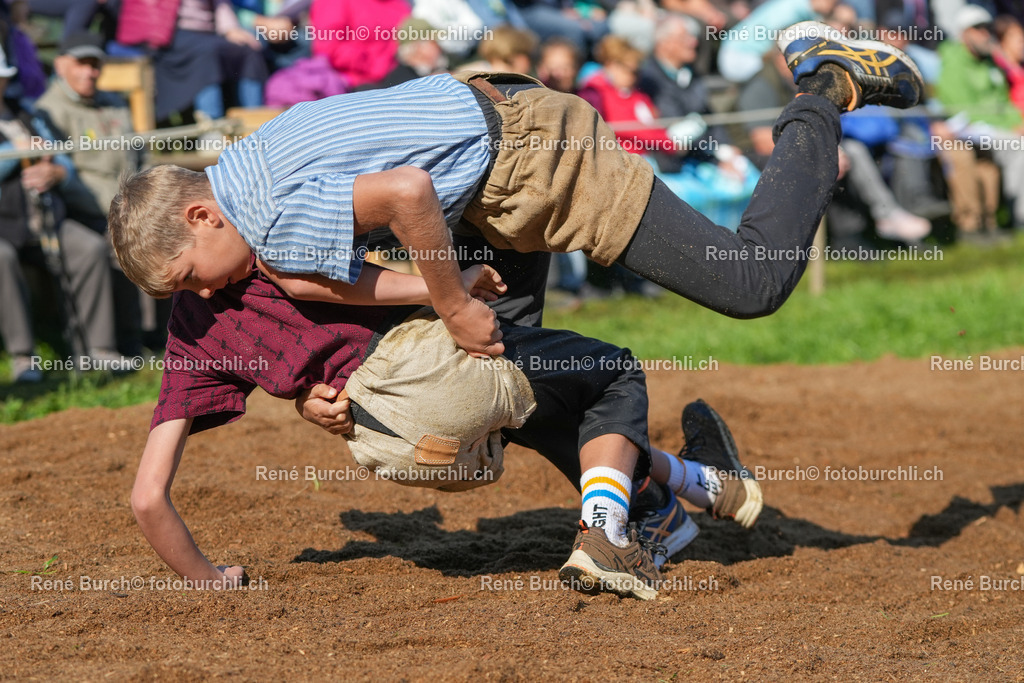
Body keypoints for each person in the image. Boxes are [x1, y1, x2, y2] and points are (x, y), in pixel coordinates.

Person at [108, 21, 925, 359]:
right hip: (491, 149)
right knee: (506, 364)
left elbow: (406, 191)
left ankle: (822, 87)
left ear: (200, 213)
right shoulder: (248, 167)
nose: (207, 292)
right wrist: (446, 291)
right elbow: (338, 271)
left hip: (535, 157)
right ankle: (639, 489)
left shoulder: (269, 218)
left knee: (750, 283)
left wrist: (454, 302)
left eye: (191, 275)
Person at [128, 249, 763, 598]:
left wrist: (209, 581)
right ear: (200, 216)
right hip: (419, 373)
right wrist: (451, 287)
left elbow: (148, 496)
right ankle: (609, 531)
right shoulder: (270, 236)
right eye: (188, 283)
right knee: (612, 374)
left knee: (541, 399)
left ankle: (696, 486)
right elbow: (350, 286)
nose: (204, 291)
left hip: (389, 448)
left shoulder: (191, 324)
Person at [0, 43, 124, 381]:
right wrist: (15, 152)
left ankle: (98, 350)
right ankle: (24, 357)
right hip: (5, 227)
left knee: (89, 247)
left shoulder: (26, 113)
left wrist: (59, 173)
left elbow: (62, 153)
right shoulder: (20, 130)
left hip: (46, 219)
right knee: (2, 259)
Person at [937, 4, 1024, 228]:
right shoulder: (953, 61)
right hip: (966, 127)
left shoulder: (990, 63)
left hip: (991, 127)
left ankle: (994, 220)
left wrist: (1016, 122)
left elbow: (1002, 101)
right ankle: (1020, 217)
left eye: (987, 28)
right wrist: (1009, 127)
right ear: (964, 33)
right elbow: (961, 108)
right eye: (978, 29)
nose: (986, 34)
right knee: (1019, 148)